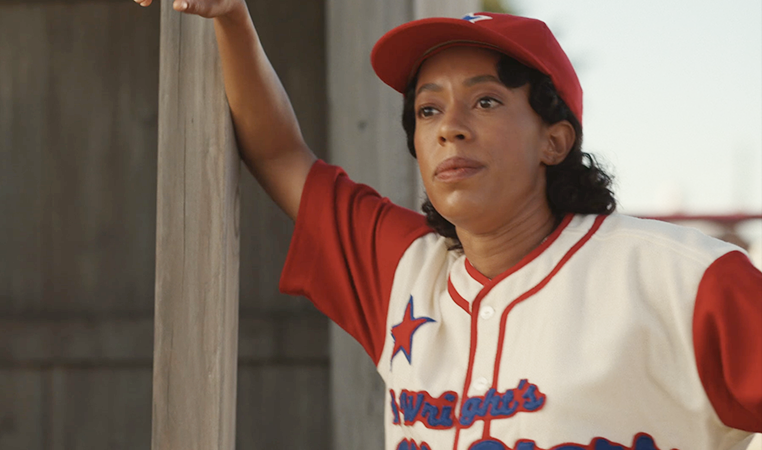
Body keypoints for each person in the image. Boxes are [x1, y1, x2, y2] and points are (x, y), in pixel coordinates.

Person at [134, 0, 762, 448]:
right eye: (428, 108)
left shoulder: (680, 278)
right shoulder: (406, 270)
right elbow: (278, 154)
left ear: (555, 139)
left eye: (486, 101)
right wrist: (236, 18)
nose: (448, 126)